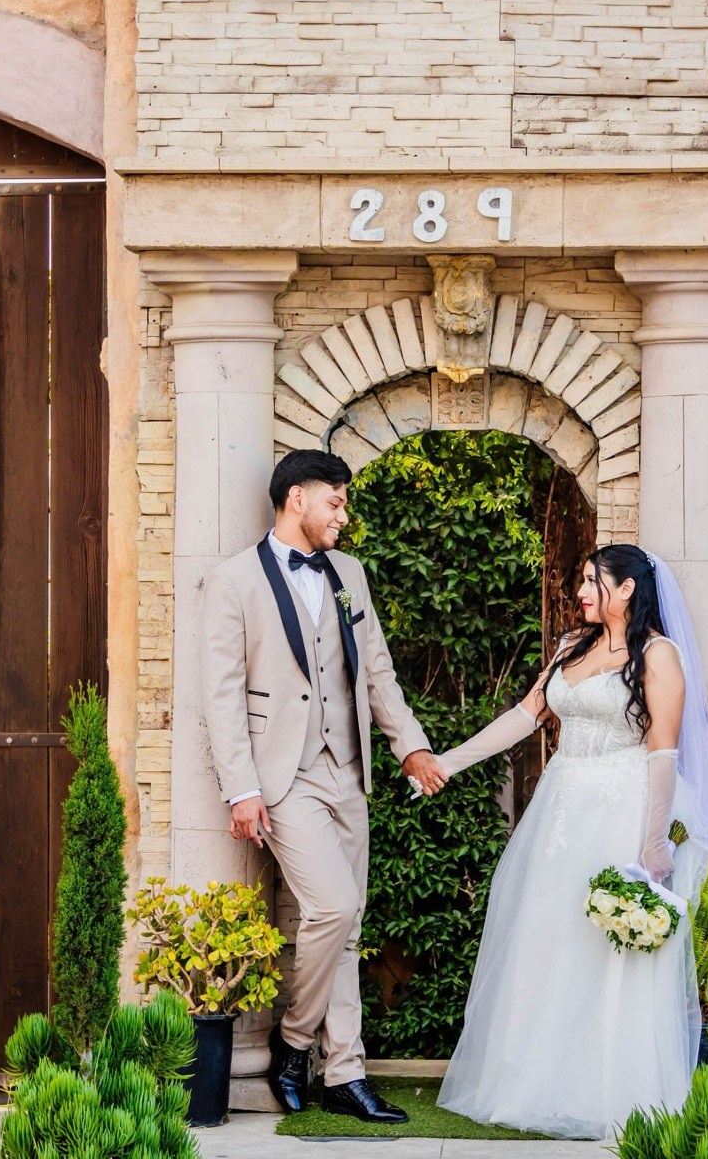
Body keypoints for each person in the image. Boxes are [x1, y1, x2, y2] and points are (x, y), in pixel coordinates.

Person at [434, 544, 708, 1140]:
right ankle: (537, 1083)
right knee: (548, 936)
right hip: (559, 807)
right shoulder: (573, 647)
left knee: (607, 949)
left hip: (620, 808)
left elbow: (664, 752)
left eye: (595, 581)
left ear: (627, 591)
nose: (583, 591)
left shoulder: (658, 655)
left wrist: (652, 846)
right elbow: (525, 716)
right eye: (584, 581)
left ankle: (610, 1090)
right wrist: (448, 762)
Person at [200, 449, 445, 1124]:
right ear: (296, 499)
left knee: (345, 925)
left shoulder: (351, 576)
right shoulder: (232, 582)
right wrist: (240, 789)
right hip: (282, 776)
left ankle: (344, 1074)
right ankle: (293, 1041)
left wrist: (411, 744)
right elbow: (221, 698)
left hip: (348, 771)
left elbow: (377, 673)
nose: (343, 514)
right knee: (333, 905)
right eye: (334, 501)